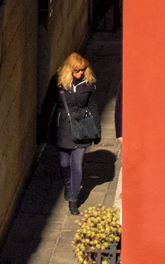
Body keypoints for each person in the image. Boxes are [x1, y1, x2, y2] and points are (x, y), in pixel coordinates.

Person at [53, 52, 100, 214]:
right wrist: (43, 129)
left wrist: (97, 130)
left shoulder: (88, 85)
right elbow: (48, 105)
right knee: (64, 164)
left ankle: (73, 199)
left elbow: (93, 107)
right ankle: (68, 186)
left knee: (77, 166)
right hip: (64, 129)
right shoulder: (58, 83)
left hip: (82, 128)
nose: (81, 73)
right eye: (77, 71)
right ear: (70, 70)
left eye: (83, 70)